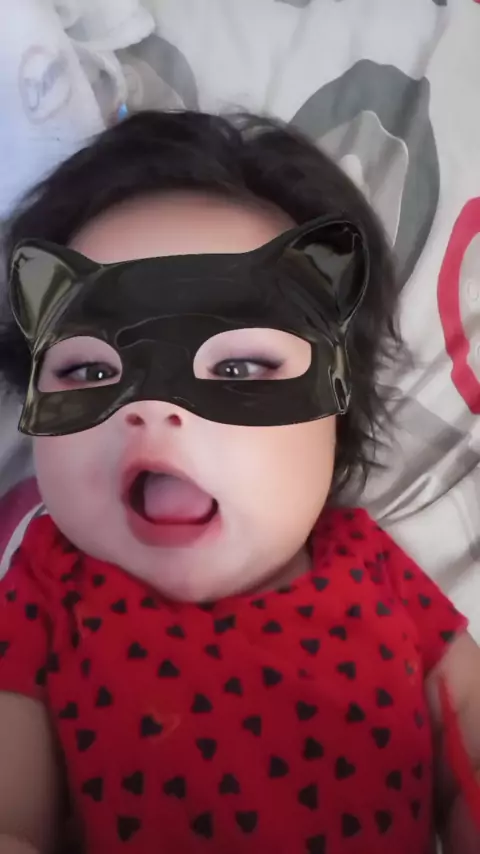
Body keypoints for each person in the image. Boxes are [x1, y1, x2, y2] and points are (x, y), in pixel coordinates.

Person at [0, 110, 478, 854]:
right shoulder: (42, 593)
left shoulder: (376, 570)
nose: (152, 410)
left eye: (238, 367)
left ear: (338, 411)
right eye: (90, 370)